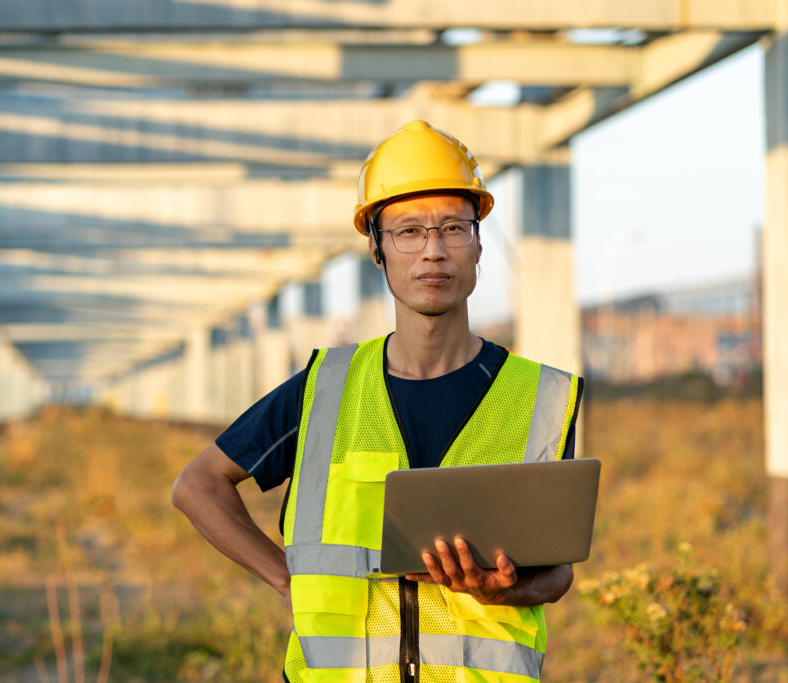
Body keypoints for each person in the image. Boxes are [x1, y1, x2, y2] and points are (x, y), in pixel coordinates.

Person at [172, 120, 583, 683]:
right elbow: (196, 486)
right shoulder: (324, 390)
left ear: (480, 241)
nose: (432, 252)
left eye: (453, 228)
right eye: (408, 231)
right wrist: (285, 578)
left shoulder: (541, 397)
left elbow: (557, 574)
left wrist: (507, 587)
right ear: (377, 249)